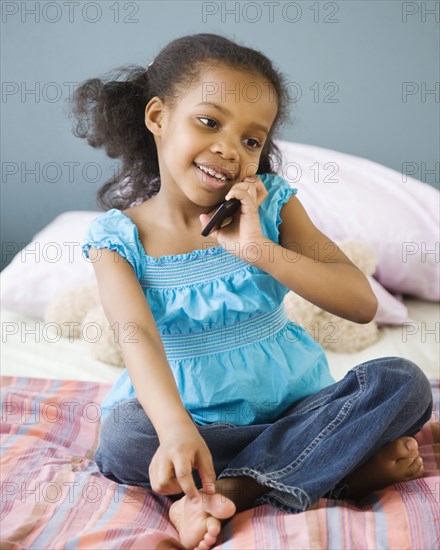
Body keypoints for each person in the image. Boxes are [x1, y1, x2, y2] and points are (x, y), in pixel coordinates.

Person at [77, 33, 433, 550]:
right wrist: (176, 430)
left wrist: (259, 251)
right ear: (158, 117)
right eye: (209, 121)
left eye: (251, 140)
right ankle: (336, 465)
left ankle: (233, 489)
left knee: (402, 381)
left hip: (294, 411)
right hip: (191, 426)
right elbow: (137, 340)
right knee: (126, 437)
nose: (229, 148)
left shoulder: (273, 209)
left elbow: (361, 304)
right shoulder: (117, 239)